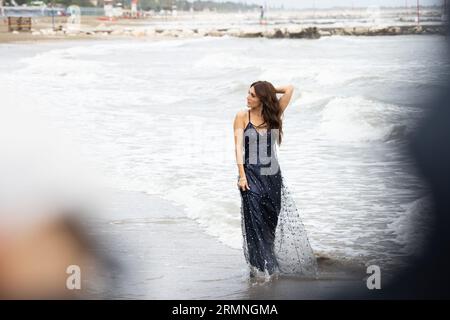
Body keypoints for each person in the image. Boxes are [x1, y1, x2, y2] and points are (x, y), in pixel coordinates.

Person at [233, 81, 318, 278]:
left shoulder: (274, 113)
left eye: (252, 94)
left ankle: (267, 265)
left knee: (270, 224)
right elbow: (237, 148)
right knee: (254, 223)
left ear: (262, 98)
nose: (247, 97)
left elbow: (290, 89)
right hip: (250, 177)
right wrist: (242, 176)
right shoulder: (242, 116)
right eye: (249, 93)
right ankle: (261, 270)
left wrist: (270, 90)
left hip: (272, 176)